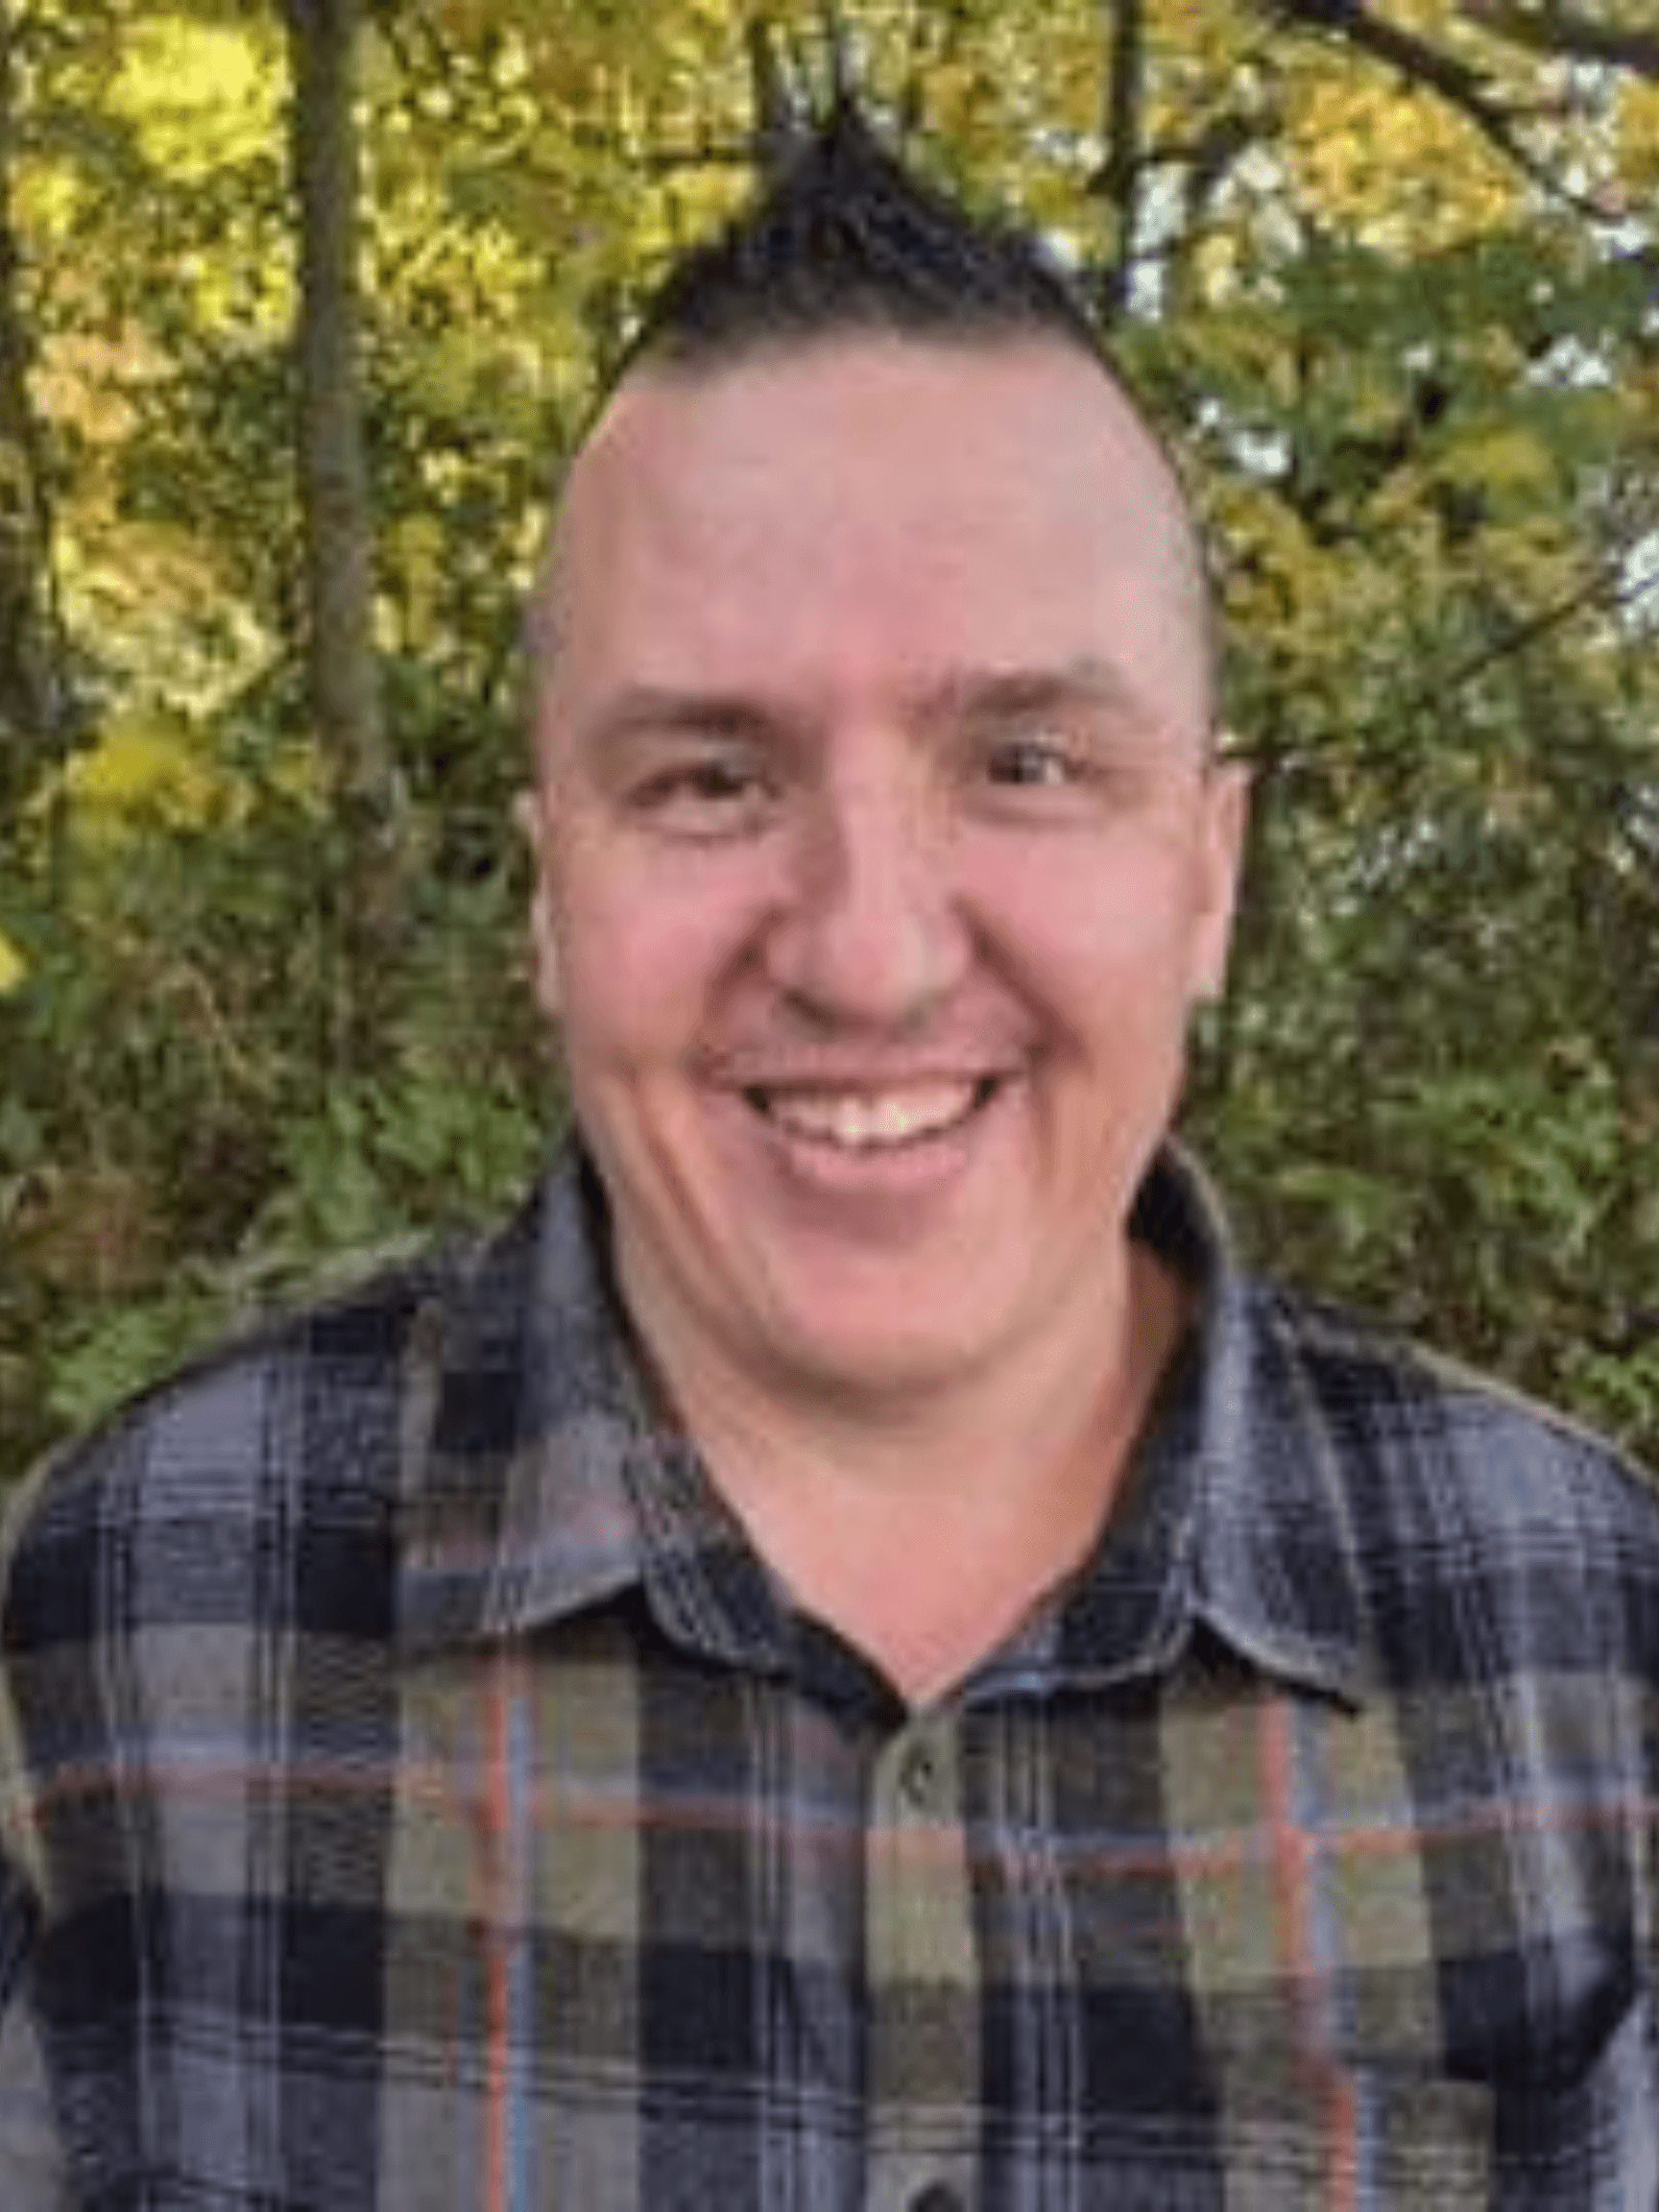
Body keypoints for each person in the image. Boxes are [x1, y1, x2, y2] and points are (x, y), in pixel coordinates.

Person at [2, 105, 1656, 2210]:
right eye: (709, 778)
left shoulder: (1599, 1649)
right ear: (550, 889)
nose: (871, 956)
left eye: (1026, 761)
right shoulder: (100, 1658)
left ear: (1209, 867)